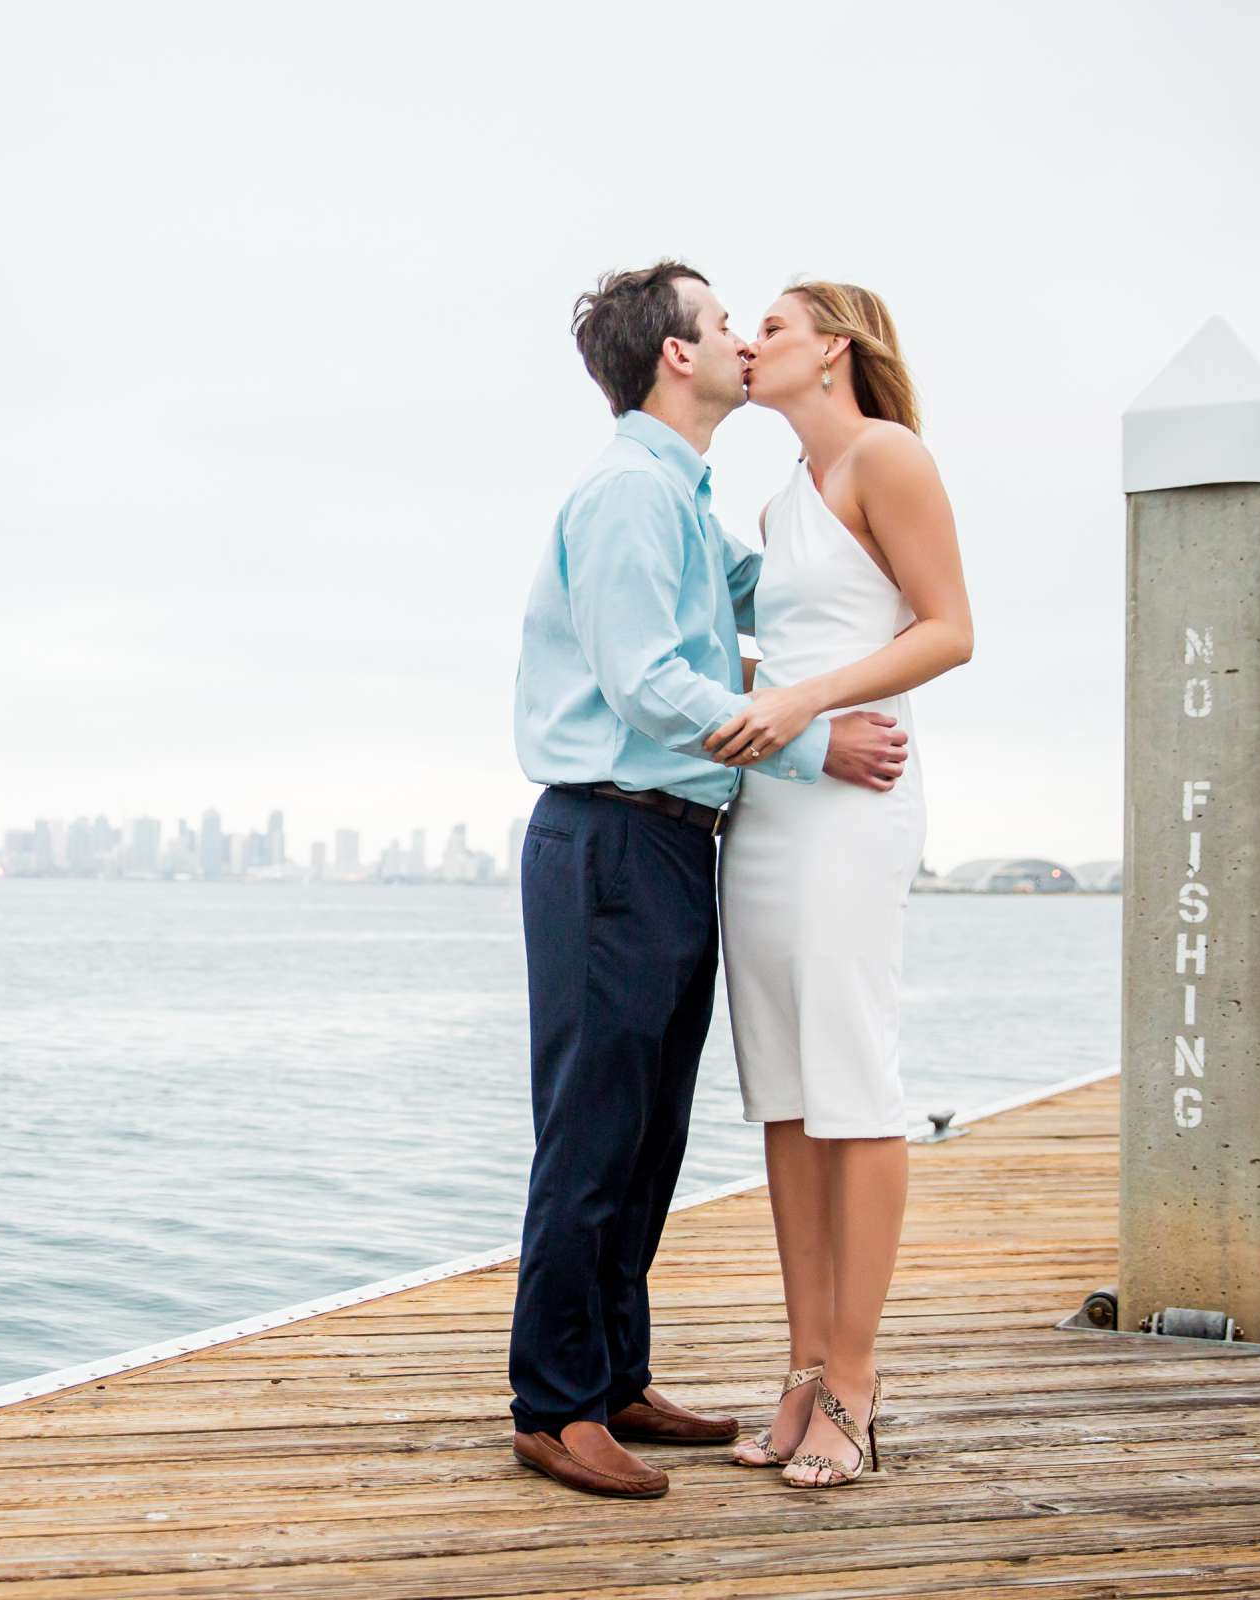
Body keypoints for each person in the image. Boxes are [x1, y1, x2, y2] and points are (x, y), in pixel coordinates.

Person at [507, 261, 911, 1501]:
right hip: (610, 836)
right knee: (592, 1130)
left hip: (677, 841)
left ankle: (617, 1375)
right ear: (676, 356)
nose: (742, 337)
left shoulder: (687, 497)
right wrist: (811, 737)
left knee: (650, 1131)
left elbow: (773, 602)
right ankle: (554, 1403)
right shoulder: (630, 492)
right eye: (724, 322)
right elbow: (646, 686)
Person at [708, 280, 973, 1489]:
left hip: (857, 800)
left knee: (852, 1079)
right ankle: (803, 1368)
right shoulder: (775, 496)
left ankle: (857, 1385)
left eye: (772, 326)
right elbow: (792, 644)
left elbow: (948, 627)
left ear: (836, 350)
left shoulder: (888, 455)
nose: (749, 343)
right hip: (773, 802)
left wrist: (805, 700)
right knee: (786, 1090)